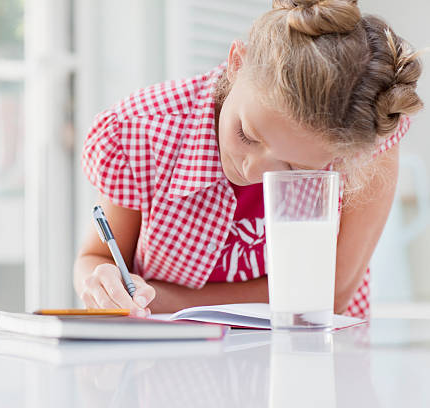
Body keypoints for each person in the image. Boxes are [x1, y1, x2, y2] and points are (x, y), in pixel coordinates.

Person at [73, 0, 424, 318]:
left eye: (293, 168)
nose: (252, 169)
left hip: (312, 362)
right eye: (247, 134)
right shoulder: (144, 132)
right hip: (169, 369)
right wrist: (100, 282)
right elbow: (96, 257)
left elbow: (327, 295)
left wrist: (164, 300)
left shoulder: (361, 141)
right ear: (236, 63)